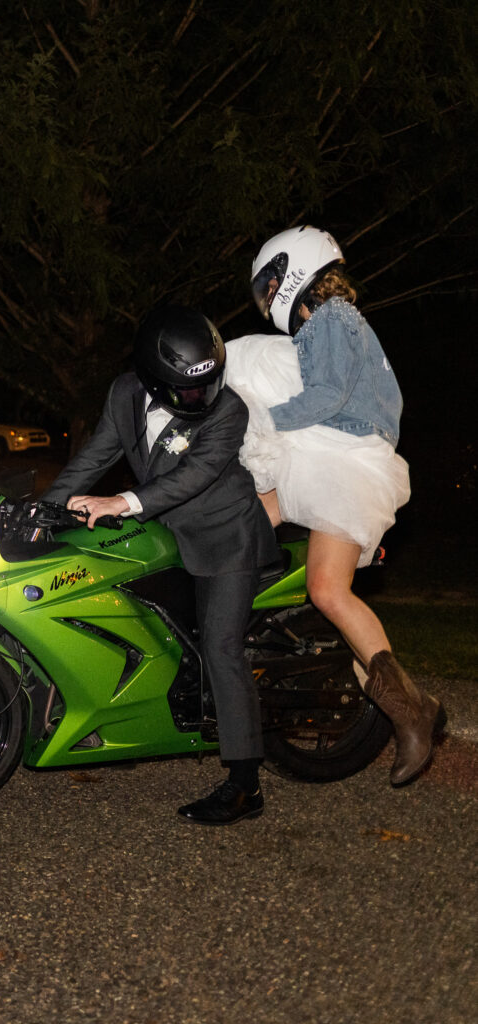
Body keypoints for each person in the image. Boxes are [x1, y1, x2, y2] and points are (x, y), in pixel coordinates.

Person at [42, 304, 280, 825]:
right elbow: (94, 458)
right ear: (152, 377)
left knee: (220, 649)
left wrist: (119, 502)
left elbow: (191, 478)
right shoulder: (124, 394)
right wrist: (46, 509)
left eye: (208, 384)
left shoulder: (228, 411)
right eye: (188, 389)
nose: (201, 397)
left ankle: (245, 786)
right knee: (138, 623)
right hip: (164, 537)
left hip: (226, 539)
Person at [225, 224, 445, 786]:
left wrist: (262, 422)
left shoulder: (333, 319)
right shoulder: (335, 326)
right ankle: (221, 627)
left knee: (327, 589)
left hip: (344, 459)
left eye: (269, 284)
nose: (267, 299)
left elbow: (327, 397)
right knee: (254, 519)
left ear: (293, 271)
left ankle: (411, 713)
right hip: (335, 453)